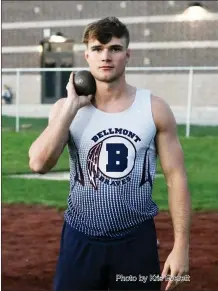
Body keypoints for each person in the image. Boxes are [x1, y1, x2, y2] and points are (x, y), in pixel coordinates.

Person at [28, 16, 191, 291]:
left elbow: (176, 177)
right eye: (97, 49)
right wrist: (71, 107)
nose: (106, 57)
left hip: (136, 240)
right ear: (86, 56)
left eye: (114, 49)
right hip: (80, 238)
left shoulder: (154, 108)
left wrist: (181, 247)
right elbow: (39, 163)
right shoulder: (64, 110)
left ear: (127, 54)